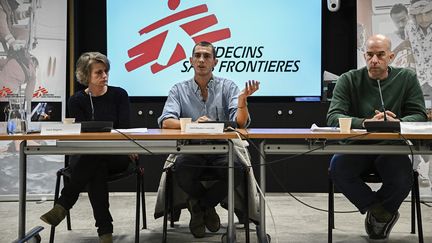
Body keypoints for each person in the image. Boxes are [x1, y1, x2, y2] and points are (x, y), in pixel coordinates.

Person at [327, 34, 427, 240]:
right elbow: (333, 117)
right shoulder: (349, 79)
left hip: (392, 147)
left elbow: (420, 115)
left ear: (390, 57)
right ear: (364, 56)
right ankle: (380, 212)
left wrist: (396, 122)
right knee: (338, 168)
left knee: (402, 177)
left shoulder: (406, 78)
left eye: (380, 55)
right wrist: (366, 122)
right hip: (356, 145)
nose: (374, 60)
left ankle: (380, 213)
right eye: (370, 55)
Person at [157, 41, 259, 238]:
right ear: (191, 61)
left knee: (237, 169)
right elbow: (166, 122)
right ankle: (207, 208)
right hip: (191, 149)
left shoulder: (228, 86)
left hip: (222, 149)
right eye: (197, 56)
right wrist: (195, 124)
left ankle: (200, 206)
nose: (201, 60)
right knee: (180, 169)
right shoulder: (178, 89)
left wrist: (242, 102)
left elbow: (240, 123)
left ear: (215, 62)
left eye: (206, 56)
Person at [40, 52, 135, 243]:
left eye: (106, 71)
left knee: (93, 161)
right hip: (87, 156)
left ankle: (64, 204)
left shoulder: (119, 95)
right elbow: (77, 136)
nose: (105, 76)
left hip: (116, 155)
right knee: (95, 165)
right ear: (86, 76)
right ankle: (105, 230)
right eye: (98, 73)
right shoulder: (77, 101)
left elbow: (125, 129)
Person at [0, 0, 36, 115]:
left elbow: (14, 16)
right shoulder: (25, 68)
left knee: (24, 31)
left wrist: (26, 13)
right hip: (6, 92)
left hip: (6, 93)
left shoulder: (25, 67)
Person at [388, 3, 416, 70]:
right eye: (397, 22)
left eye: (403, 20)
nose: (401, 25)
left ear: (408, 16)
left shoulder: (419, 35)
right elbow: (385, 62)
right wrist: (399, 48)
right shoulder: (390, 39)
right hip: (400, 78)